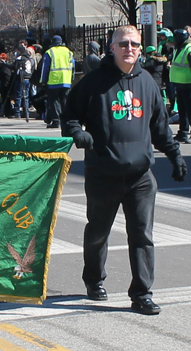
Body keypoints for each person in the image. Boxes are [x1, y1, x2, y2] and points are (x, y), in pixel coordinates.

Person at [61, 25, 187, 315]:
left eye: (134, 44)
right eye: (123, 44)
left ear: (141, 48)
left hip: (140, 177)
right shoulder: (93, 83)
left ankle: (142, 293)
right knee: (98, 233)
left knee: (142, 235)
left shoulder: (148, 83)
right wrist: (76, 132)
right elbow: (69, 115)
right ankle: (94, 279)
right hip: (103, 173)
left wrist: (175, 156)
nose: (129, 48)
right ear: (111, 47)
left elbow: (160, 128)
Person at [40, 35, 75, 128]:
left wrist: (43, 81)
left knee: (54, 101)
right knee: (65, 101)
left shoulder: (49, 52)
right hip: (66, 80)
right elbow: (73, 66)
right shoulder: (68, 52)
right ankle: (66, 120)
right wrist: (72, 78)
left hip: (53, 81)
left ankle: (56, 121)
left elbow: (45, 68)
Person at [169, 29, 191, 144]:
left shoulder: (189, 49)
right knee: (182, 111)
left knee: (189, 110)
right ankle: (183, 133)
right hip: (180, 84)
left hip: (188, 85)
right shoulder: (179, 48)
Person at [13, 46, 34, 120]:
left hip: (21, 78)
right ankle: (26, 112)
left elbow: (14, 67)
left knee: (18, 96)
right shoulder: (29, 58)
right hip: (28, 78)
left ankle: (17, 113)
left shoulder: (20, 58)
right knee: (26, 96)